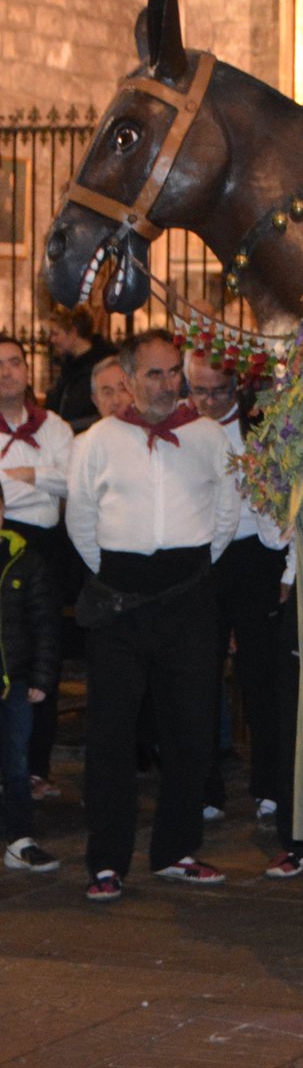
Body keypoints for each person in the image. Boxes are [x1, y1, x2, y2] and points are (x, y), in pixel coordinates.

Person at [66, 330, 240, 902]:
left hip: (188, 596)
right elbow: (82, 522)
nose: (168, 385)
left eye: (173, 374)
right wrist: (121, 572)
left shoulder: (209, 437)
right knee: (112, 737)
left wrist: (187, 570)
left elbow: (226, 510)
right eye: (154, 375)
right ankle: (107, 862)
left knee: (190, 730)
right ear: (129, 379)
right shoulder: (96, 441)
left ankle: (175, 850)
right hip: (119, 600)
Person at [185, 353, 287, 824]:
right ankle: (203, 788)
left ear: (237, 388)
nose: (208, 401)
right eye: (199, 391)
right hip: (200, 556)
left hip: (254, 556)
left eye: (218, 392)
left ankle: (271, 784)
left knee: (263, 677)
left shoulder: (261, 426)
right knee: (198, 675)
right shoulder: (179, 427)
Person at [0, 336, 74, 802]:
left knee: (45, 658)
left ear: (28, 370)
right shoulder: (50, 440)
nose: (6, 371)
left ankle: (37, 767)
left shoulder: (56, 426)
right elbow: (54, 484)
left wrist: (21, 478)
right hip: (2, 546)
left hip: (47, 549)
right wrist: (42, 479)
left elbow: (73, 481)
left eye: (14, 362)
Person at [0, 481, 62, 875]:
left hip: (16, 682)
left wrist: (42, 675)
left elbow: (45, 624)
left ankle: (19, 839)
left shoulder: (25, 560)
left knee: (17, 762)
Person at [45, 308, 114, 432]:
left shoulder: (102, 366)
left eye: (56, 334)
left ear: (73, 332)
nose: (52, 340)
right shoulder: (69, 365)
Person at [89, 355, 132, 420]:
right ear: (96, 401)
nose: (116, 401)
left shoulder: (149, 429)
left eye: (123, 389)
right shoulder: (95, 430)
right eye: (108, 393)